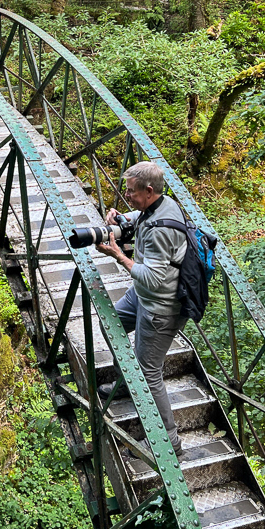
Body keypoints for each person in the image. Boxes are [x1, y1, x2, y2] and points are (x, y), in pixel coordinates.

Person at [95, 161, 189, 458]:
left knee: (150, 371)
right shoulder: (162, 204)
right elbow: (142, 215)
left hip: (160, 307)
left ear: (149, 190)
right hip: (142, 295)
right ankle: (126, 383)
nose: (127, 195)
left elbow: (152, 276)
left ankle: (169, 438)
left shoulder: (163, 231)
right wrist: (123, 217)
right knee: (110, 323)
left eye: (131, 192)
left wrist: (119, 255)